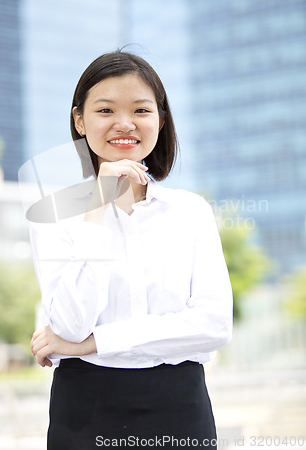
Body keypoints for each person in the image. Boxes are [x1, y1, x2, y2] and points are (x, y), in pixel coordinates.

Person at [29, 51, 233, 450]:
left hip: (180, 407)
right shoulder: (51, 214)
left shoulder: (190, 211)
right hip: (85, 410)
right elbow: (69, 324)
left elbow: (214, 325)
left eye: (141, 110)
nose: (125, 124)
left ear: (160, 119)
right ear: (79, 121)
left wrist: (93, 343)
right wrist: (99, 204)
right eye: (105, 109)